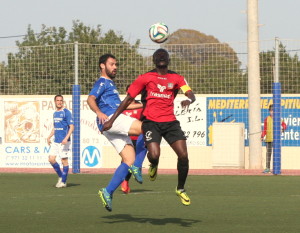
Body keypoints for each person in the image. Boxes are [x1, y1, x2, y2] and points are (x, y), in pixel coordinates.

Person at [102, 48, 196, 206]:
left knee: (184, 156)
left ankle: (180, 188)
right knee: (153, 155)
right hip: (151, 122)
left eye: (163, 55)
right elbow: (127, 99)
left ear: (168, 59)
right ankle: (154, 164)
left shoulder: (177, 78)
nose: (161, 57)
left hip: (171, 123)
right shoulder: (145, 78)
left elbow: (190, 93)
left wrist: (189, 100)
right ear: (154, 60)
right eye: (158, 55)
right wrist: (112, 120)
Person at [87, 54, 143, 212]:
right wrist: (98, 112)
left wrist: (143, 105)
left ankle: (108, 191)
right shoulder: (102, 82)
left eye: (116, 64)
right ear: (102, 66)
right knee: (148, 129)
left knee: (129, 159)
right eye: (112, 64)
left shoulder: (111, 84)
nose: (115, 67)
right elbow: (90, 99)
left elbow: (123, 106)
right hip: (110, 119)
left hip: (111, 121)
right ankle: (140, 166)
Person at [121, 85, 147, 194]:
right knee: (127, 160)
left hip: (138, 138)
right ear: (127, 91)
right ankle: (124, 181)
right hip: (125, 138)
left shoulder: (140, 106)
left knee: (135, 161)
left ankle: (126, 179)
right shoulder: (121, 105)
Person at [47, 95, 74, 188]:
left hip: (64, 141)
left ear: (63, 102)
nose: (59, 102)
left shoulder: (66, 112)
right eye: (58, 100)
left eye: (61, 100)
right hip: (56, 141)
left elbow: (72, 127)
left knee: (64, 160)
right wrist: (49, 136)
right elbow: (55, 127)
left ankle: (63, 181)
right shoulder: (55, 113)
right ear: (54, 101)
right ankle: (61, 176)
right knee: (51, 159)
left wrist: (66, 138)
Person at [261, 104, 287, 173]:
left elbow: (284, 125)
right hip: (269, 139)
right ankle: (267, 168)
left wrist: (282, 128)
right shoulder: (266, 119)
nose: (271, 112)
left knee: (276, 154)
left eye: (273, 110)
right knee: (268, 154)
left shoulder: (279, 118)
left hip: (276, 140)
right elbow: (265, 129)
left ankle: (277, 168)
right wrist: (262, 136)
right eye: (270, 110)